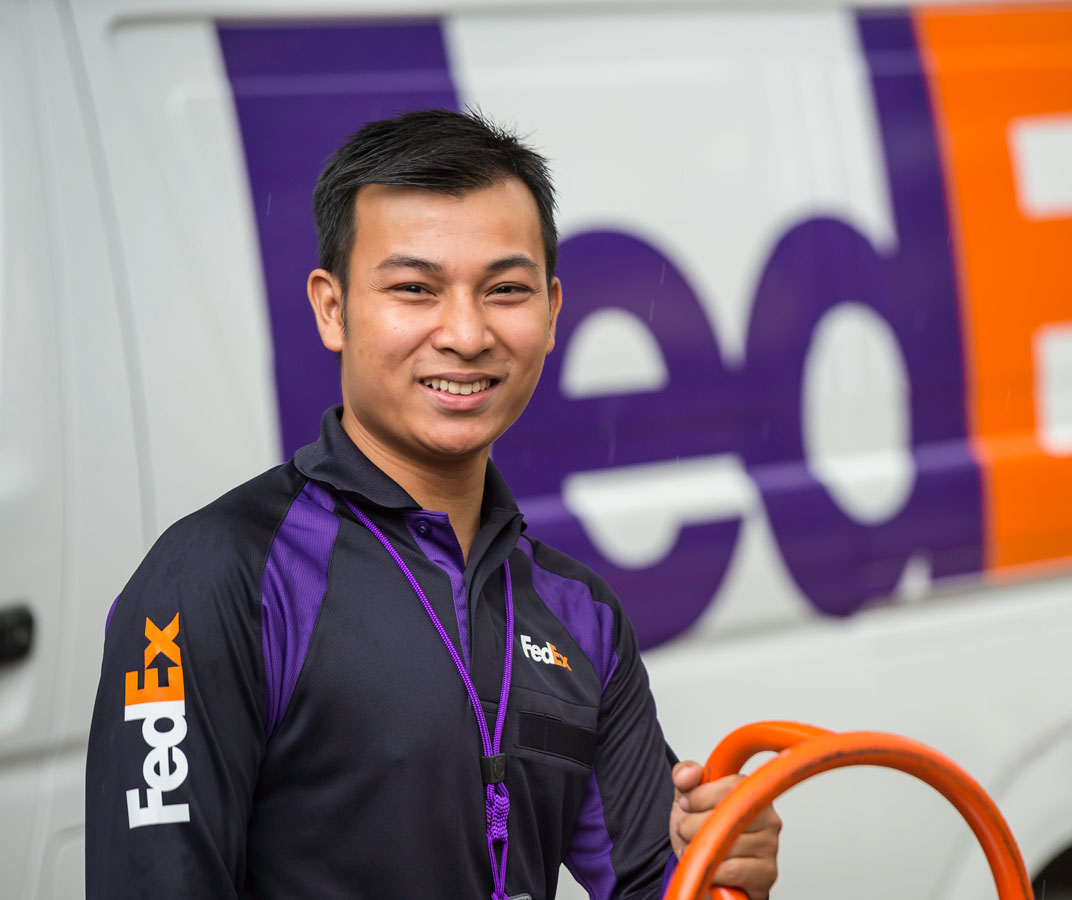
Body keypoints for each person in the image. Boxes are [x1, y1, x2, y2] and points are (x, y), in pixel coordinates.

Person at [85, 108, 780, 900]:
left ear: (552, 312)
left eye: (506, 289)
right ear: (332, 308)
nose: (465, 332)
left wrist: (722, 868)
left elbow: (656, 884)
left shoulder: (578, 614)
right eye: (414, 288)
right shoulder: (214, 580)